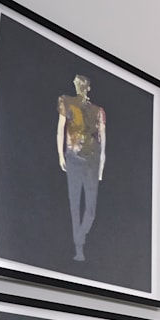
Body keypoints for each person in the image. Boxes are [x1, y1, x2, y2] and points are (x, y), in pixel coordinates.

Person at [56, 75, 106, 262]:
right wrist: (61, 154)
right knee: (74, 203)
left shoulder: (98, 111)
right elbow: (61, 129)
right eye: (78, 84)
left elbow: (102, 140)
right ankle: (79, 247)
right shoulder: (66, 102)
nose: (81, 87)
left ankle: (82, 234)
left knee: (91, 209)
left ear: (88, 87)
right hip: (74, 160)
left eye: (83, 85)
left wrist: (101, 165)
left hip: (91, 162)